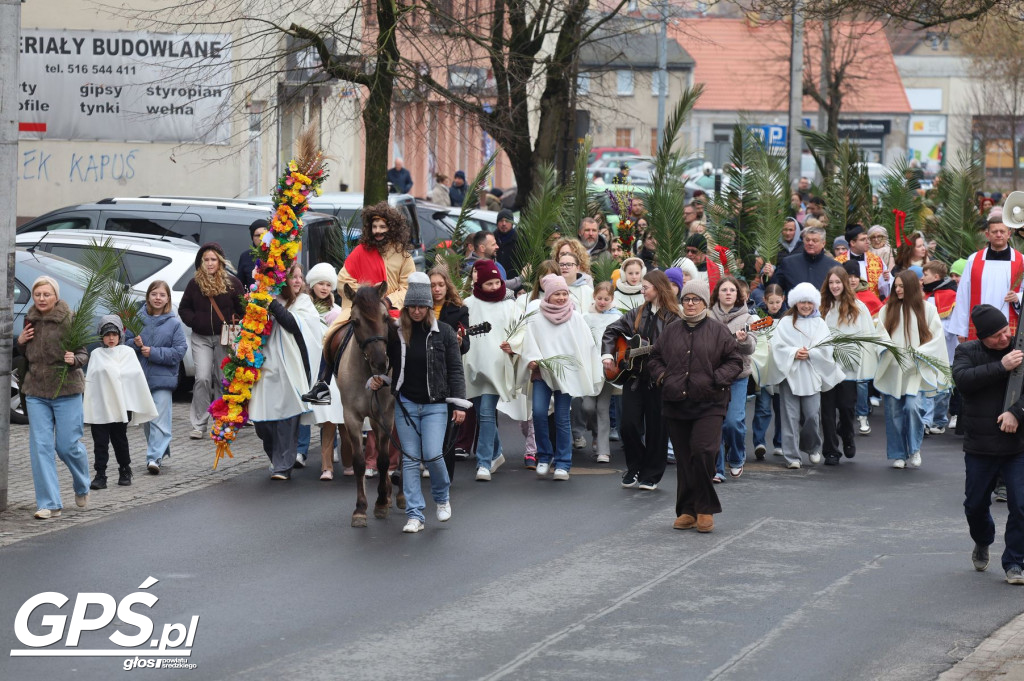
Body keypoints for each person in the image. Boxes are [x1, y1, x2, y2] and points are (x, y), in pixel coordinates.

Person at [373, 272, 469, 533]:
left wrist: (459, 405)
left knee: (433, 455)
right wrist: (379, 378)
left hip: (435, 405)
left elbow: (455, 370)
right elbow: (389, 364)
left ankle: (441, 497)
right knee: (411, 459)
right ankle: (415, 514)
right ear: (406, 308)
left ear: (428, 307)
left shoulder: (445, 333)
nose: (416, 311)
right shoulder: (397, 334)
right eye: (412, 306)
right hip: (406, 404)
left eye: (421, 306)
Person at [647, 280, 743, 534]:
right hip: (676, 402)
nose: (690, 304)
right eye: (687, 299)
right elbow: (655, 358)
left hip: (710, 402)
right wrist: (662, 378)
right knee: (684, 459)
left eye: (696, 300)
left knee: (703, 452)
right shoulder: (671, 330)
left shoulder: (718, 330)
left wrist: (716, 379)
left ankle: (705, 509)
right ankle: (687, 511)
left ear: (704, 302)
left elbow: (735, 361)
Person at [952, 304, 1024, 584]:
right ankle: (983, 540)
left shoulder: (1019, 346)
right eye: (996, 336)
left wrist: (1016, 413)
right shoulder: (967, 352)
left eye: (1007, 331)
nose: (1004, 339)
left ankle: (1015, 562)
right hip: (980, 446)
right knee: (975, 505)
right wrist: (1001, 366)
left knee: (1021, 506)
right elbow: (963, 381)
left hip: (1016, 445)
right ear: (982, 337)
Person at [16, 276, 91, 519]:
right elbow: (26, 355)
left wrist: (74, 359)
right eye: (38, 295)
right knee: (41, 447)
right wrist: (20, 342)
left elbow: (83, 354)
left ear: (56, 296)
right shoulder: (30, 321)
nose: (41, 299)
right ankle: (49, 503)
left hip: (66, 390)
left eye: (46, 294)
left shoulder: (69, 320)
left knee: (67, 446)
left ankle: (82, 484)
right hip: (36, 391)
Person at [602, 271, 681, 490]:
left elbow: (683, 347)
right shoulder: (638, 312)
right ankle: (634, 466)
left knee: (657, 429)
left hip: (660, 380)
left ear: (658, 288)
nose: (642, 290)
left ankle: (651, 474)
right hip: (634, 378)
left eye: (646, 287)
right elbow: (612, 330)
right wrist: (609, 355)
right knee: (628, 425)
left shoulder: (675, 317)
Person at [522, 274, 603, 480]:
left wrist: (581, 366)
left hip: (566, 375)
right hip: (542, 372)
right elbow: (530, 342)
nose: (561, 297)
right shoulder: (537, 316)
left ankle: (563, 463)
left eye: (564, 293)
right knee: (539, 413)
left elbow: (586, 344)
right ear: (547, 296)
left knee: (561, 417)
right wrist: (532, 360)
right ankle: (544, 455)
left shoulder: (574, 317)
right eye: (556, 294)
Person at [760, 282, 845, 469]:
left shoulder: (820, 323)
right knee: (789, 417)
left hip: (811, 374)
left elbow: (826, 347)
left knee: (812, 416)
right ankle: (792, 457)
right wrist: (793, 353)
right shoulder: (785, 322)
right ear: (795, 303)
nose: (806, 306)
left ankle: (813, 446)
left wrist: (811, 353)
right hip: (790, 374)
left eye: (809, 302)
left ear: (814, 303)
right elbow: (777, 346)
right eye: (802, 302)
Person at [874, 271, 950, 469]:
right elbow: (879, 335)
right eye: (895, 286)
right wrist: (889, 350)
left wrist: (919, 353)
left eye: (901, 286)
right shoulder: (887, 310)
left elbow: (936, 338)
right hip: (893, 369)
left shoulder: (928, 310)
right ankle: (899, 454)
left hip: (916, 369)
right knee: (893, 413)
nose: (898, 290)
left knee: (912, 407)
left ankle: (914, 448)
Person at [249, 262, 316, 480]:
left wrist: (272, 305)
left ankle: (283, 465)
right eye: (293, 277)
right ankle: (276, 457)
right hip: (266, 367)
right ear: (281, 281)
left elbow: (292, 324)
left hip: (290, 371)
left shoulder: (304, 302)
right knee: (261, 421)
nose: (298, 281)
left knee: (287, 415)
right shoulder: (267, 299)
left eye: (300, 277)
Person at [177, 242, 246, 440]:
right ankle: (198, 424)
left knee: (222, 379)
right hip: (201, 338)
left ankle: (221, 421)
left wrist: (235, 323)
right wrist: (195, 321)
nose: (209, 263)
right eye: (205, 260)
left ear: (220, 261)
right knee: (202, 378)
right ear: (200, 262)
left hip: (225, 338)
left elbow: (243, 309)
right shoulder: (194, 284)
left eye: (213, 259)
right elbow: (184, 309)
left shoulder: (233, 283)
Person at [84, 315, 158, 488]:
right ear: (101, 336)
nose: (111, 338)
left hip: (120, 405)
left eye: (114, 334)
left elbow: (134, 376)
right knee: (100, 442)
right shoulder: (96, 354)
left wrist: (117, 378)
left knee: (119, 439)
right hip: (101, 405)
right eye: (107, 334)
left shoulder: (127, 352)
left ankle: (125, 469)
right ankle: (100, 474)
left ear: (120, 335)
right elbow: (92, 380)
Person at [124, 281, 188, 476]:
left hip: (163, 379)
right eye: (154, 294)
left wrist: (153, 352)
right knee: (147, 420)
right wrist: (134, 344)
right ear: (148, 296)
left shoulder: (174, 324)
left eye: (162, 295)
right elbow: (124, 344)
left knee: (159, 418)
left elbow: (179, 351)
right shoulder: (136, 320)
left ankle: (154, 457)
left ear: (168, 298)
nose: (158, 298)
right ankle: (160, 449)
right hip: (141, 378)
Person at [464, 260, 520, 478]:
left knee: (486, 412)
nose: (496, 287)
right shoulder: (468, 304)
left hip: (497, 366)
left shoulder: (510, 305)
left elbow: (521, 329)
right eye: (490, 283)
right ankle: (496, 452)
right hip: (473, 365)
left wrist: (514, 345)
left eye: (498, 282)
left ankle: (484, 462)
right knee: (481, 414)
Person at [819, 267, 877, 465]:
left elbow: (867, 335)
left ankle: (847, 434)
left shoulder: (857, 307)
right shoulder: (822, 307)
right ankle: (831, 450)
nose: (835, 286)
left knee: (845, 408)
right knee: (826, 410)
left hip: (848, 368)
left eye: (838, 282)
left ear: (845, 283)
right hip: (826, 366)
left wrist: (863, 365)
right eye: (831, 282)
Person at [708, 276, 758, 480]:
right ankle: (717, 469)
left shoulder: (748, 319)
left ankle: (737, 457)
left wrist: (743, 340)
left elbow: (751, 348)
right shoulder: (708, 316)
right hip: (712, 376)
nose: (728, 293)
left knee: (733, 421)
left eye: (732, 290)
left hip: (737, 376)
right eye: (724, 290)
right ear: (717, 294)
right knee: (714, 422)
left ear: (738, 294)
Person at [304, 263, 349, 480]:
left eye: (328, 284)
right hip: (317, 371)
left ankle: (349, 462)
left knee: (344, 417)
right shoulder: (306, 308)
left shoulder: (338, 311)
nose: (324, 287)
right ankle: (326, 466)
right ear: (312, 285)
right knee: (328, 419)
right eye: (320, 283)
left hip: (337, 370)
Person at [951, 215, 1024, 342]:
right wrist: (961, 330)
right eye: (994, 232)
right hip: (980, 325)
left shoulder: (1021, 261)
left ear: (1009, 234)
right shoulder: (974, 260)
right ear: (987, 234)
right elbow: (963, 295)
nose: (999, 235)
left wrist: (1018, 297)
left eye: (1002, 231)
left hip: (1010, 325)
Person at [428, 266, 472, 478]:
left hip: (446, 372)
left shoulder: (459, 310)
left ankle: (445, 473)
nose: (437, 289)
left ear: (447, 286)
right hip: (423, 371)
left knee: (447, 426)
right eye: (432, 285)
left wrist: (460, 341)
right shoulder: (418, 309)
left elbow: (466, 346)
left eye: (440, 285)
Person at [583, 282, 621, 464]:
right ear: (594, 297)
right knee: (588, 407)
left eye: (607, 299)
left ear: (612, 299)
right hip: (590, 369)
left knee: (602, 407)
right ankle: (596, 432)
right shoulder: (585, 317)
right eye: (599, 298)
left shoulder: (617, 318)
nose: (603, 302)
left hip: (607, 368)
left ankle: (603, 450)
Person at [751, 284, 785, 460]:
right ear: (764, 301)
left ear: (783, 300)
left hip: (781, 369)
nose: (774, 306)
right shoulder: (759, 318)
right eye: (771, 302)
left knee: (781, 408)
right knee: (763, 407)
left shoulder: (788, 318)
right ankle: (759, 442)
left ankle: (779, 442)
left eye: (777, 302)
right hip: (765, 368)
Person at [765, 226, 839, 294]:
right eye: (807, 240)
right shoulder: (789, 263)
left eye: (814, 241)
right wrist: (771, 276)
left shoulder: (834, 267)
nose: (810, 243)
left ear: (823, 243)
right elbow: (776, 289)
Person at [835, 224, 892, 299]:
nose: (868, 242)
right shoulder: (838, 262)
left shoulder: (877, 261)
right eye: (863, 239)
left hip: (872, 307)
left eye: (867, 239)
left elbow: (886, 290)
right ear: (852, 243)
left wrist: (885, 280)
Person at [238, 219, 268, 292]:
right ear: (252, 238)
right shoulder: (245, 256)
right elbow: (240, 285)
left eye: (264, 234)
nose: (261, 238)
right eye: (257, 235)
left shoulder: (277, 255)